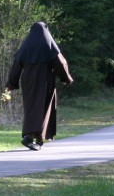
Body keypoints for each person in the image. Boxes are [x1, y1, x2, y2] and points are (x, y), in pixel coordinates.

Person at [5, 21, 73, 151]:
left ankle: (36, 138)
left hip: (28, 82)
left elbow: (16, 66)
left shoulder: (26, 46)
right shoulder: (49, 45)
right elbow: (60, 63)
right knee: (45, 108)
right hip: (45, 81)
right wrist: (66, 78)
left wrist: (11, 84)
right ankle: (31, 137)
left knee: (31, 108)